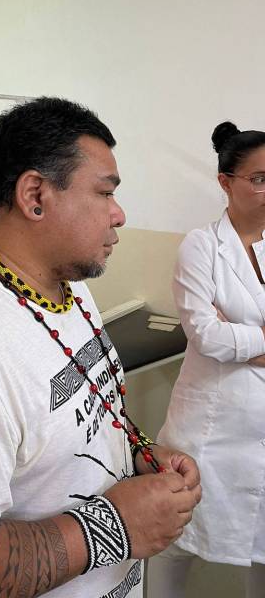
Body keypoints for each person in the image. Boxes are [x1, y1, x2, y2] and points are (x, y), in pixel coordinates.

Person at [0, 97, 201, 598]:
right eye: (105, 192)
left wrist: (140, 453)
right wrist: (117, 526)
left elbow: (76, 412)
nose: (119, 214)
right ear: (35, 196)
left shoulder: (65, 286)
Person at [147, 121, 265, 598]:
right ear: (225, 182)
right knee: (176, 542)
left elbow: (221, 335)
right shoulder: (201, 246)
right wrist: (245, 338)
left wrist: (238, 336)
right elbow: (206, 335)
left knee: (261, 551)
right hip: (209, 435)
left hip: (259, 433)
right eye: (258, 178)